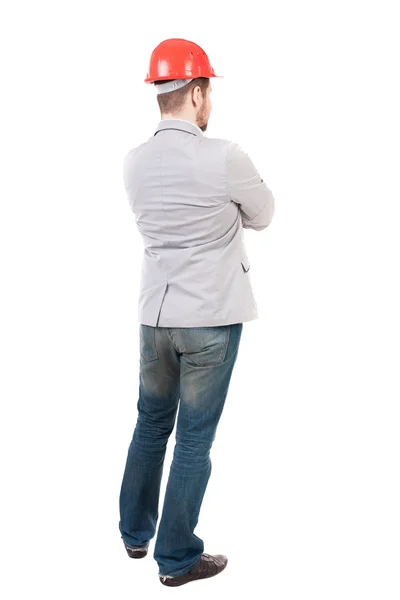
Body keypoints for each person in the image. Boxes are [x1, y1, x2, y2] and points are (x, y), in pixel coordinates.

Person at [118, 38, 276, 587]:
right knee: (192, 441)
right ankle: (177, 557)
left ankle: (135, 534)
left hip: (154, 321)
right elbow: (264, 213)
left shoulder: (134, 162)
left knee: (149, 423)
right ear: (199, 91)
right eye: (209, 92)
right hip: (209, 318)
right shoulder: (225, 156)